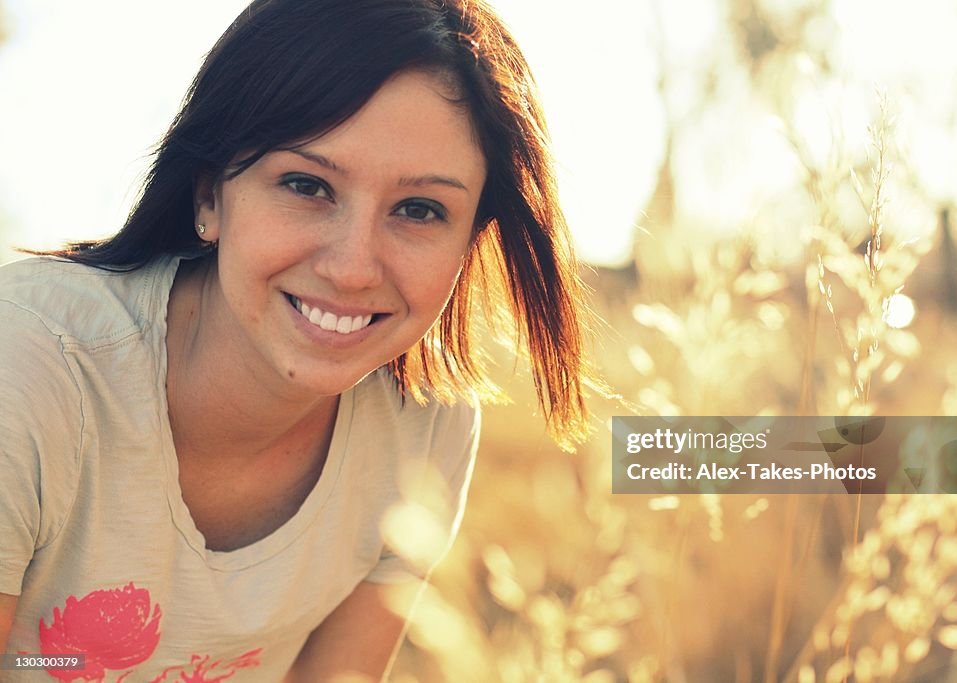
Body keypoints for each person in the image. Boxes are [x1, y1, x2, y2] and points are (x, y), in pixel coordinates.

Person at [0, 0, 593, 680]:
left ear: (468, 243)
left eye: (420, 209)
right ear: (208, 197)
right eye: (307, 185)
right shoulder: (29, 364)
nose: (352, 266)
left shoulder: (425, 428)